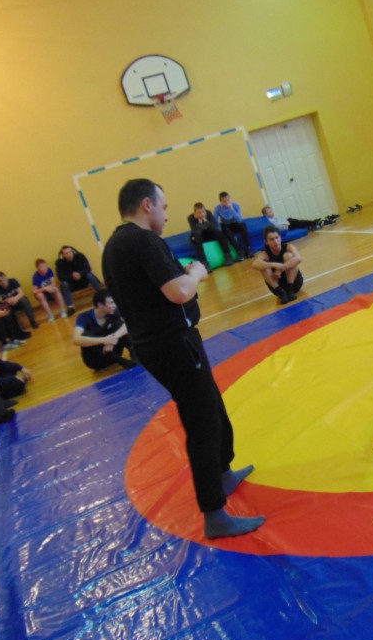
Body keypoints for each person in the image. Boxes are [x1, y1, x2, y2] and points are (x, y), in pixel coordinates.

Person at [102, 178, 264, 539]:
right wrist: (195, 272)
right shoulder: (142, 241)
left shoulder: (114, 245)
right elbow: (178, 292)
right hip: (172, 344)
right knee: (202, 421)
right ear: (146, 205)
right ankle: (214, 513)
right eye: (163, 206)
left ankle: (223, 474)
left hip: (162, 343)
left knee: (211, 405)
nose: (165, 214)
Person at [72, 289, 136, 370]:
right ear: (100, 304)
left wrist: (114, 337)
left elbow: (129, 324)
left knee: (120, 325)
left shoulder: (113, 311)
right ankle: (120, 361)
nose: (114, 305)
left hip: (114, 351)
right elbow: (76, 339)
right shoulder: (84, 317)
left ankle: (134, 355)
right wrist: (104, 340)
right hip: (97, 361)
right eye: (111, 303)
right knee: (85, 335)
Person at [252, 225, 304, 305]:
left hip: (294, 284)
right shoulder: (265, 254)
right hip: (278, 285)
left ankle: (290, 290)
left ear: (280, 238)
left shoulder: (288, 247)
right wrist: (275, 265)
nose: (275, 241)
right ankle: (281, 293)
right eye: (272, 239)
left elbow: (298, 258)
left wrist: (281, 268)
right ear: (266, 242)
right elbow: (255, 264)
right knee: (263, 265)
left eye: (277, 237)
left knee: (288, 256)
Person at [186, 202, 234, 268]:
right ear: (195, 213)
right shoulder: (190, 218)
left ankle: (228, 256)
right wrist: (200, 223)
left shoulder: (208, 213)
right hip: (199, 235)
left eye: (203, 212)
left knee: (219, 233)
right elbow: (195, 231)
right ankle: (204, 263)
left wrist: (206, 221)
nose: (202, 214)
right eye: (199, 213)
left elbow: (214, 226)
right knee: (196, 238)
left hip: (209, 233)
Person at [213, 191, 253, 259]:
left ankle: (249, 248)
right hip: (226, 225)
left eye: (228, 200)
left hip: (235, 223)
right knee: (225, 230)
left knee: (243, 225)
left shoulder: (236, 205)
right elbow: (216, 221)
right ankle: (239, 251)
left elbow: (239, 219)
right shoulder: (217, 208)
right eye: (224, 201)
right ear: (220, 201)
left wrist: (232, 209)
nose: (226, 202)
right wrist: (219, 230)